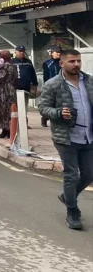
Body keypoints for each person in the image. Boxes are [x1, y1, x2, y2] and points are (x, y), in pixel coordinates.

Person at [37, 49, 93, 230]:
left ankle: (67, 196)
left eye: (78, 61)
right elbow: (43, 108)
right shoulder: (53, 84)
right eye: (72, 61)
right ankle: (72, 211)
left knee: (89, 174)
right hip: (66, 137)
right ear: (62, 63)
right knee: (71, 174)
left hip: (88, 136)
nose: (76, 64)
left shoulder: (90, 81)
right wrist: (59, 112)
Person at [0, 51, 18, 139]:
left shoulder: (3, 67)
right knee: (8, 111)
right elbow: (15, 78)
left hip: (2, 91)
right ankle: (7, 130)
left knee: (2, 110)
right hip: (11, 89)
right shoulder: (13, 66)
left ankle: (6, 130)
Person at [11, 45, 38, 126]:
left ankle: (23, 123)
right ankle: (14, 123)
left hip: (26, 88)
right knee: (15, 106)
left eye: (23, 51)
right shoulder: (12, 61)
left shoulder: (28, 62)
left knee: (24, 106)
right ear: (15, 52)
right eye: (20, 51)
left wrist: (35, 85)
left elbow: (33, 74)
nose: (22, 53)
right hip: (14, 88)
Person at [42, 46, 62, 127]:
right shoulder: (47, 63)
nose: (58, 54)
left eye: (59, 52)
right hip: (51, 86)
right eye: (56, 52)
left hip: (61, 85)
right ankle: (44, 118)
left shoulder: (62, 62)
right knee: (50, 103)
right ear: (52, 53)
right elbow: (46, 76)